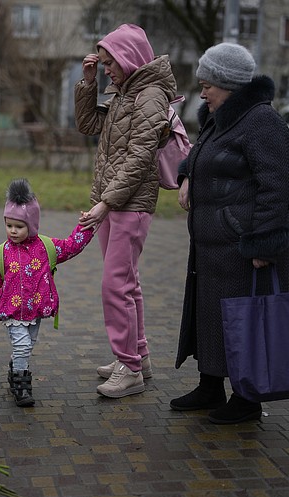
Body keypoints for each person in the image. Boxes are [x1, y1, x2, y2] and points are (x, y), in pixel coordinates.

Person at [170, 42, 289, 424]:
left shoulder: (261, 121)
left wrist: (263, 243)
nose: (202, 91)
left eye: (208, 84)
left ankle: (248, 399)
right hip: (212, 245)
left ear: (230, 84)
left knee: (244, 320)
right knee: (211, 315)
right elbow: (202, 153)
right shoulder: (219, 117)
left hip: (242, 246)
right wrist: (188, 174)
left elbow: (276, 185)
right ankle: (210, 386)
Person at [75, 24, 177, 398]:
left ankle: (130, 369)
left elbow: (139, 157)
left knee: (114, 285)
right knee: (127, 282)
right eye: (101, 64)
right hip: (114, 200)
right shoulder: (124, 92)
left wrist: (106, 202)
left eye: (108, 63)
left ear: (128, 58)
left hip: (129, 203)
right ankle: (139, 357)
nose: (105, 70)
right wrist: (87, 85)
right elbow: (89, 125)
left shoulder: (149, 95)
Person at [0, 179, 94, 407]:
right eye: (9, 225)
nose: (13, 231)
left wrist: (86, 227)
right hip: (12, 311)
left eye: (18, 226)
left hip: (36, 310)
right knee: (22, 346)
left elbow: (71, 246)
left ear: (32, 225)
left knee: (28, 345)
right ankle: (21, 385)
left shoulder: (46, 247)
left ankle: (14, 368)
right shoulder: (2, 253)